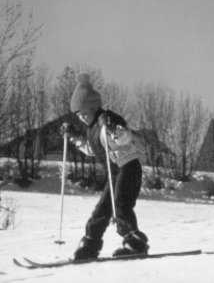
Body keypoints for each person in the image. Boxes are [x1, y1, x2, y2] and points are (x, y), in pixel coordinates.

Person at [61, 72, 149, 260]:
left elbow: (125, 138)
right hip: (115, 172)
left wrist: (112, 128)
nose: (82, 117)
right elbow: (92, 149)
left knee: (121, 206)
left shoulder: (107, 119)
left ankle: (135, 243)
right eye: (79, 115)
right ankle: (90, 244)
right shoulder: (91, 128)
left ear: (94, 107)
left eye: (85, 112)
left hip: (128, 167)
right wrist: (75, 137)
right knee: (102, 209)